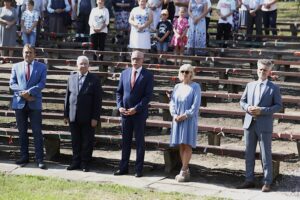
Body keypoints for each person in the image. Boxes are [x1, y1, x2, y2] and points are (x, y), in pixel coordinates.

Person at [238, 59, 282, 192]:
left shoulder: (274, 88)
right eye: (260, 69)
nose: (262, 72)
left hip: (264, 125)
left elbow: (278, 106)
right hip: (249, 123)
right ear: (257, 70)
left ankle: (267, 182)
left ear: (269, 72)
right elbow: (242, 101)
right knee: (249, 153)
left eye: (265, 70)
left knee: (265, 154)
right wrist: (248, 107)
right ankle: (249, 179)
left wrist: (262, 110)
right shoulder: (250, 85)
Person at [114, 50, 154, 178]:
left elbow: (147, 97)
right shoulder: (124, 73)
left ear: (143, 60)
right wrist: (119, 107)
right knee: (125, 141)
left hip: (139, 114)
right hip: (125, 113)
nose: (135, 61)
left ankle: (138, 169)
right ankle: (123, 167)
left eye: (138, 58)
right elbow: (119, 92)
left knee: (139, 142)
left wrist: (136, 109)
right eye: (133, 58)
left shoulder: (147, 75)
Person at [9, 44, 47, 169]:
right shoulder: (16, 66)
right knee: (22, 132)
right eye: (26, 52)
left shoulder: (42, 67)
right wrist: (23, 94)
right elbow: (12, 83)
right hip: (19, 103)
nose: (28, 54)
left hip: (34, 103)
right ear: (22, 53)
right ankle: (24, 157)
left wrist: (29, 92)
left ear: (35, 54)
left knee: (37, 132)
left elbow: (42, 83)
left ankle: (39, 159)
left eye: (30, 52)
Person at [64, 56, 102, 172]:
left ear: (88, 66)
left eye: (85, 64)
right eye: (81, 64)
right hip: (73, 116)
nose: (83, 66)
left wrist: (95, 117)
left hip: (88, 117)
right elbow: (67, 97)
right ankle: (75, 162)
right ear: (77, 65)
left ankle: (85, 163)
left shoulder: (94, 80)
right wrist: (66, 115)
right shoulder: (71, 78)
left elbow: (98, 100)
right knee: (75, 141)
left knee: (87, 141)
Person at [169, 64, 201, 182]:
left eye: (187, 72)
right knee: (181, 144)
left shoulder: (195, 87)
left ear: (191, 73)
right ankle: (185, 170)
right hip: (177, 119)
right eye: (182, 71)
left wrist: (185, 115)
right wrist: (175, 115)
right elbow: (172, 102)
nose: (184, 74)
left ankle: (183, 170)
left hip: (188, 119)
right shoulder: (177, 86)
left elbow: (196, 105)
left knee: (187, 144)